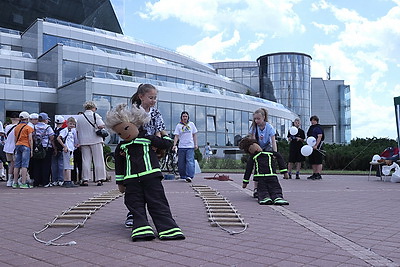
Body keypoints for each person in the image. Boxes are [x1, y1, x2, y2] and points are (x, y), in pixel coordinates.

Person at [105, 103, 185, 241]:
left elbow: (167, 143)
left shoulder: (148, 139)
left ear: (136, 124)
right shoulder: (121, 147)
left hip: (151, 176)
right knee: (134, 203)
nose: (124, 134)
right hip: (131, 180)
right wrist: (120, 182)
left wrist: (164, 134)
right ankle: (141, 227)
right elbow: (119, 165)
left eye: (125, 129)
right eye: (119, 133)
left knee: (157, 201)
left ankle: (167, 227)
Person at [124, 83, 167, 227]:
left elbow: (159, 131)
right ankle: (134, 213)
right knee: (135, 185)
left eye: (155, 98)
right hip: (136, 153)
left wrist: (158, 144)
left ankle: (157, 215)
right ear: (141, 96)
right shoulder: (132, 113)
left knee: (152, 183)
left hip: (150, 152)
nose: (153, 100)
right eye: (150, 97)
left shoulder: (156, 113)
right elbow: (127, 133)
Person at [239, 137, 289, 205]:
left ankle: (278, 197)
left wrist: (284, 172)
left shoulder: (270, 153)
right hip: (261, 178)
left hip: (271, 176)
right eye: (250, 149)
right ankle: (265, 197)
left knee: (275, 187)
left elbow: (279, 158)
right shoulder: (253, 157)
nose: (256, 148)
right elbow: (248, 169)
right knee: (262, 189)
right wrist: (245, 182)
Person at [248, 108, 281, 197]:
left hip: (267, 147)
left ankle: (271, 187)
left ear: (264, 117)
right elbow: (253, 140)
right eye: (255, 119)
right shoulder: (254, 128)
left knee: (268, 167)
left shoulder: (269, 127)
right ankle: (256, 188)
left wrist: (274, 153)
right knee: (257, 167)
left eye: (258, 119)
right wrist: (254, 152)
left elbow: (273, 141)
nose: (256, 121)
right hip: (257, 147)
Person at [75, 101, 107, 186]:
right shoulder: (95, 115)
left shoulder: (80, 117)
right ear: (93, 108)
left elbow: (77, 130)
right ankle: (99, 179)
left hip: (84, 141)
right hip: (96, 140)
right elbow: (101, 125)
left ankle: (85, 179)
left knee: (86, 161)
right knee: (98, 160)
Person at [30, 112, 55, 187]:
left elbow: (33, 137)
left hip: (37, 148)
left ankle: (37, 181)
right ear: (45, 120)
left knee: (37, 165)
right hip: (46, 147)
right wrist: (55, 148)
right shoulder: (48, 127)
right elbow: (52, 138)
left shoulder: (34, 127)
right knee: (46, 165)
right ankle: (45, 182)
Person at [173, 111, 198, 183]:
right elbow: (176, 136)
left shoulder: (191, 124)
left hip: (190, 146)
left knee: (189, 161)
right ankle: (183, 175)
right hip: (181, 146)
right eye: (183, 116)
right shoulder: (178, 126)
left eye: (186, 116)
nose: (185, 118)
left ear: (188, 117)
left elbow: (194, 135)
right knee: (181, 162)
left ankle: (189, 176)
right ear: (181, 117)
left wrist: (195, 144)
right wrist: (174, 145)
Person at [13, 112, 34, 189]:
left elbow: (15, 139)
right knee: (24, 165)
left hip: (18, 145)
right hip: (26, 146)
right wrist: (31, 150)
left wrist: (16, 145)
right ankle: (23, 183)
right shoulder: (28, 128)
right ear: (27, 118)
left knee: (16, 165)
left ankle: (15, 182)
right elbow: (30, 139)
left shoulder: (16, 127)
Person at [57, 117, 78, 188]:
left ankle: (66, 179)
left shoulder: (73, 131)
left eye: (73, 124)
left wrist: (76, 145)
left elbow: (75, 140)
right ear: (67, 123)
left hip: (71, 149)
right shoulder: (65, 130)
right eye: (70, 123)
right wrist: (64, 146)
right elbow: (58, 138)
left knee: (69, 165)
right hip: (67, 149)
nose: (72, 125)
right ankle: (68, 180)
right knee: (68, 165)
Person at [3, 112, 20, 187]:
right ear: (19, 118)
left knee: (10, 164)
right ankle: (15, 180)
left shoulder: (7, 127)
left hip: (7, 148)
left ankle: (9, 180)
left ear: (10, 119)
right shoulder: (19, 127)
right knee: (16, 164)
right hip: (15, 147)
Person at [306, 115, 325, 180]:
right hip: (311, 147)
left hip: (317, 147)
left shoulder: (318, 127)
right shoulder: (311, 127)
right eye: (311, 120)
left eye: (313, 120)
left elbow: (319, 137)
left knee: (318, 161)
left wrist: (316, 145)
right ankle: (314, 173)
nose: (312, 122)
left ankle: (318, 174)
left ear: (316, 120)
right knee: (313, 161)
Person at [51, 115, 66, 186]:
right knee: (61, 165)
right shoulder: (64, 130)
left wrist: (54, 148)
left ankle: (54, 180)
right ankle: (61, 179)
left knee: (54, 165)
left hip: (54, 148)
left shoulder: (54, 130)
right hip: (61, 149)